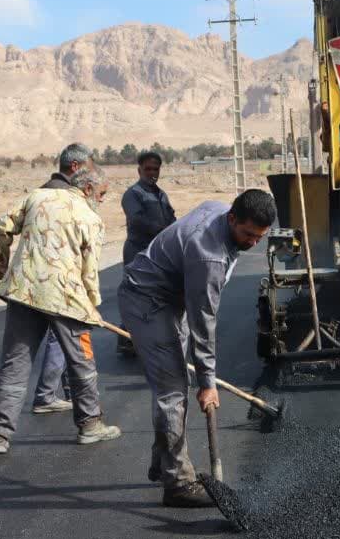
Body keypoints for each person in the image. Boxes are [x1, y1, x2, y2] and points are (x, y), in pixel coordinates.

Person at [117, 189, 276, 507]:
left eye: (260, 237)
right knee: (173, 390)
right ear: (232, 218)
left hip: (173, 296)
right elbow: (205, 323)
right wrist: (207, 383)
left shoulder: (219, 210)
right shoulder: (209, 256)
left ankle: (162, 462)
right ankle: (177, 482)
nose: (252, 243)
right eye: (248, 234)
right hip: (147, 300)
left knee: (174, 384)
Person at [0, 166, 122, 454]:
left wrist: (0, 261)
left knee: (15, 364)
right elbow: (89, 271)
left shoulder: (37, 197)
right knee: (82, 362)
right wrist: (92, 306)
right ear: (87, 189)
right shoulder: (90, 218)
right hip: (65, 300)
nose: (102, 200)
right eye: (102, 194)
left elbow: (1, 225)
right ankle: (90, 425)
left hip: (23, 292)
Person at [20, 142, 94, 413]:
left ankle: (63, 391)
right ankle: (48, 395)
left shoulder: (41, 192)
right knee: (63, 338)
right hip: (60, 281)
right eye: (88, 168)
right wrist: (90, 298)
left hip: (38, 280)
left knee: (58, 338)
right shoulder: (68, 197)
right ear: (75, 167)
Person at [116, 150, 176, 357]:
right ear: (139, 170)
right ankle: (126, 339)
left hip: (158, 253)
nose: (152, 173)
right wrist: (163, 230)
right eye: (148, 169)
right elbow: (137, 219)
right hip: (138, 252)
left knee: (156, 294)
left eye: (156, 169)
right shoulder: (132, 194)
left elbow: (172, 217)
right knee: (135, 294)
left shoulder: (161, 194)